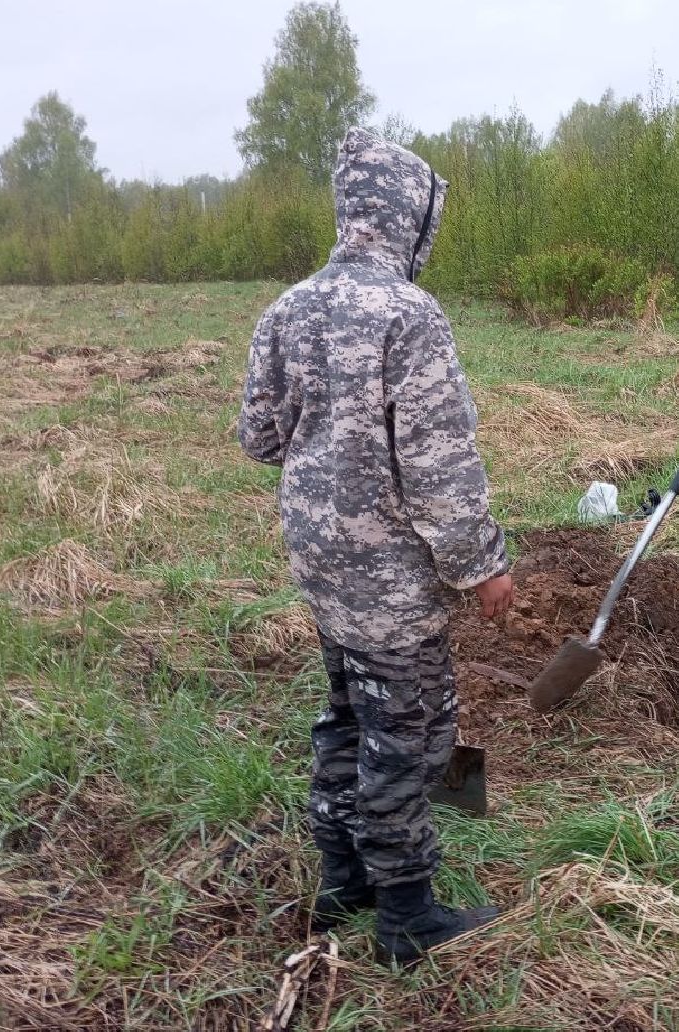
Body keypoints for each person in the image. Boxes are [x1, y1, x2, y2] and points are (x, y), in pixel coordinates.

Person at [238, 128, 513, 963]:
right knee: (407, 733)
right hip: (391, 582)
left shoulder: (288, 307)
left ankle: (342, 879)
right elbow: (439, 465)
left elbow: (258, 437)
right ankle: (405, 914)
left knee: (347, 715)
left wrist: (329, 448)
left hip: (318, 564)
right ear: (408, 217)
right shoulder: (408, 314)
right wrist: (483, 566)